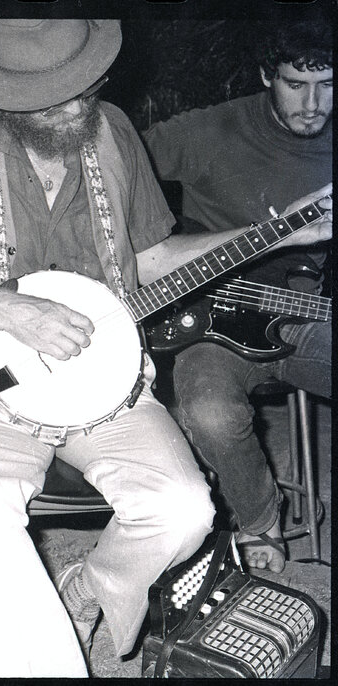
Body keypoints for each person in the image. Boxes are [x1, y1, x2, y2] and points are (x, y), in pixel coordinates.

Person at [0, 19, 329, 677]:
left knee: (184, 509)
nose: (80, 107)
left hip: (114, 385)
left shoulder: (109, 131)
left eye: (87, 89)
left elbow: (156, 257)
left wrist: (277, 236)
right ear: (6, 95)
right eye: (56, 99)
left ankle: (87, 589)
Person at [142, 20, 332, 573]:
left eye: (327, 85)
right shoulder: (213, 130)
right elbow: (115, 166)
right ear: (266, 77)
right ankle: (261, 523)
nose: (313, 103)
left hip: (298, 312)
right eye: (295, 84)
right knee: (208, 410)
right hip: (207, 321)